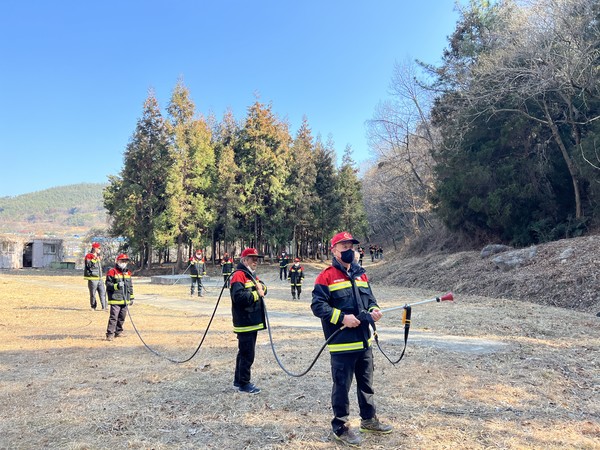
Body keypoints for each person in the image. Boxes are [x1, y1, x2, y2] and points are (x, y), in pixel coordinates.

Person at [311, 231, 393, 446]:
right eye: (344, 247)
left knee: (366, 385)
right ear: (334, 251)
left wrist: (375, 311)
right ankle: (341, 426)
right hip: (342, 344)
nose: (350, 250)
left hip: (364, 342)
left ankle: (368, 420)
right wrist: (341, 318)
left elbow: (371, 300)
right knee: (342, 387)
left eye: (352, 246)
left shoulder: (361, 274)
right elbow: (318, 306)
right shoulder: (325, 276)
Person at [230, 247, 268, 394]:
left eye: (256, 259)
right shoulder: (239, 275)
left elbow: (264, 287)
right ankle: (244, 384)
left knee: (243, 352)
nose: (255, 261)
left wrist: (261, 290)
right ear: (244, 260)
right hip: (245, 322)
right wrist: (257, 294)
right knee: (247, 354)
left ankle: (238, 380)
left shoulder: (250, 275)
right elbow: (238, 297)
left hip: (251, 321)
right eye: (252, 258)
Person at [105, 253, 135, 341]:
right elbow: (108, 284)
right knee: (114, 316)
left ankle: (118, 332)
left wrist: (131, 297)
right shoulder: (112, 272)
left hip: (125, 299)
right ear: (117, 261)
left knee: (122, 316)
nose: (124, 262)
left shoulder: (128, 273)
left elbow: (130, 286)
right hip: (115, 298)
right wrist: (116, 285)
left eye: (125, 261)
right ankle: (110, 334)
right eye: (122, 261)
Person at [84, 242, 107, 310]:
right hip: (92, 278)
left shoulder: (98, 256)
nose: (99, 249)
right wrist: (95, 259)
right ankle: (93, 306)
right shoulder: (88, 256)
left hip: (100, 278)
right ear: (94, 248)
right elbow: (89, 265)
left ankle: (104, 307)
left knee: (102, 293)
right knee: (93, 294)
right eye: (98, 248)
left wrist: (98, 258)